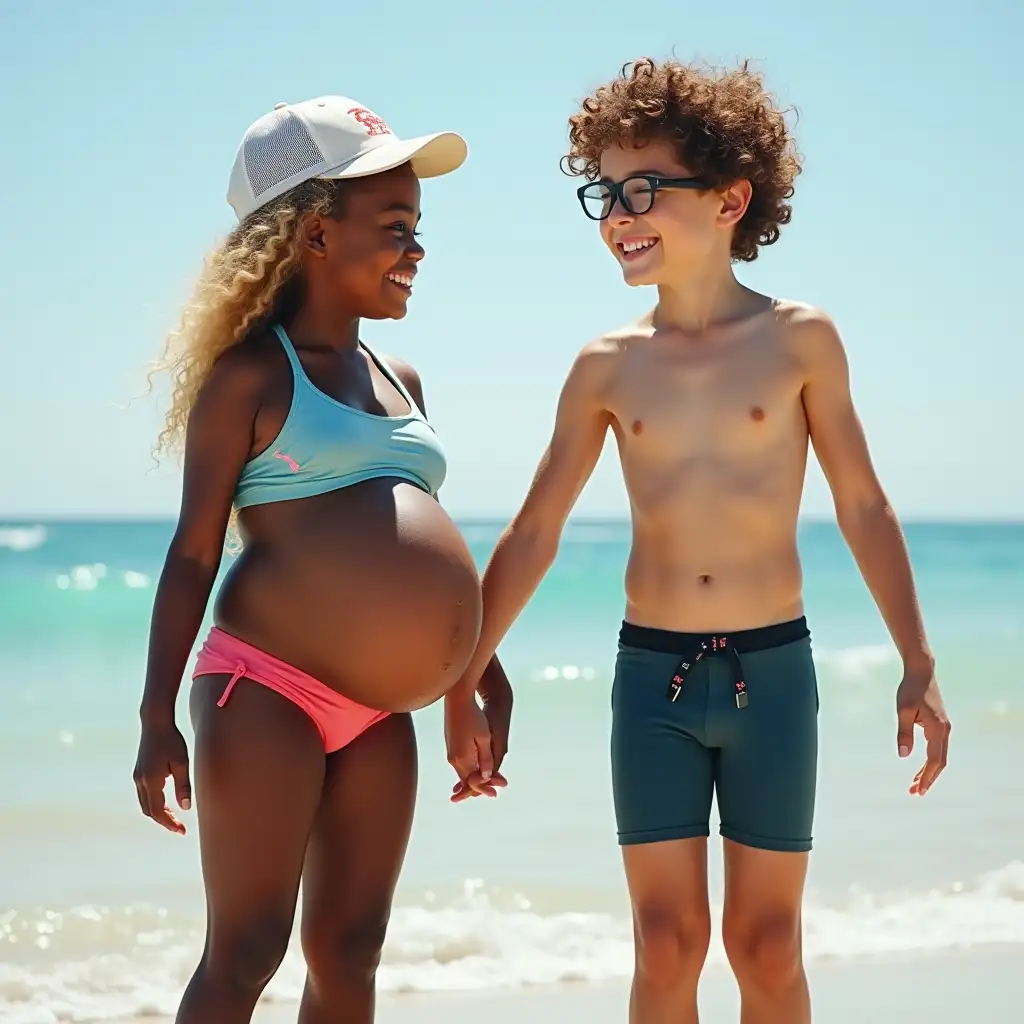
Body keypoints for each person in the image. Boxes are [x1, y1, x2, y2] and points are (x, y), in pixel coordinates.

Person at [444, 58, 951, 1023]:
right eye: (604, 190)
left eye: (644, 187)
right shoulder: (605, 366)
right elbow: (537, 528)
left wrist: (918, 662)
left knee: (765, 947)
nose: (618, 211)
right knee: (666, 946)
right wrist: (468, 669)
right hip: (653, 680)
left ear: (730, 198)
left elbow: (864, 507)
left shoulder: (803, 339)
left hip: (773, 672)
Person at [132, 95, 512, 1024]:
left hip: (379, 713)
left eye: (416, 228)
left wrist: (474, 672)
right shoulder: (254, 377)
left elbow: (422, 530)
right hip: (264, 689)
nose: (415, 250)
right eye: (393, 228)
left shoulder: (399, 378)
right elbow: (191, 555)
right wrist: (154, 717)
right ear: (312, 231)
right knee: (247, 951)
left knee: (351, 955)